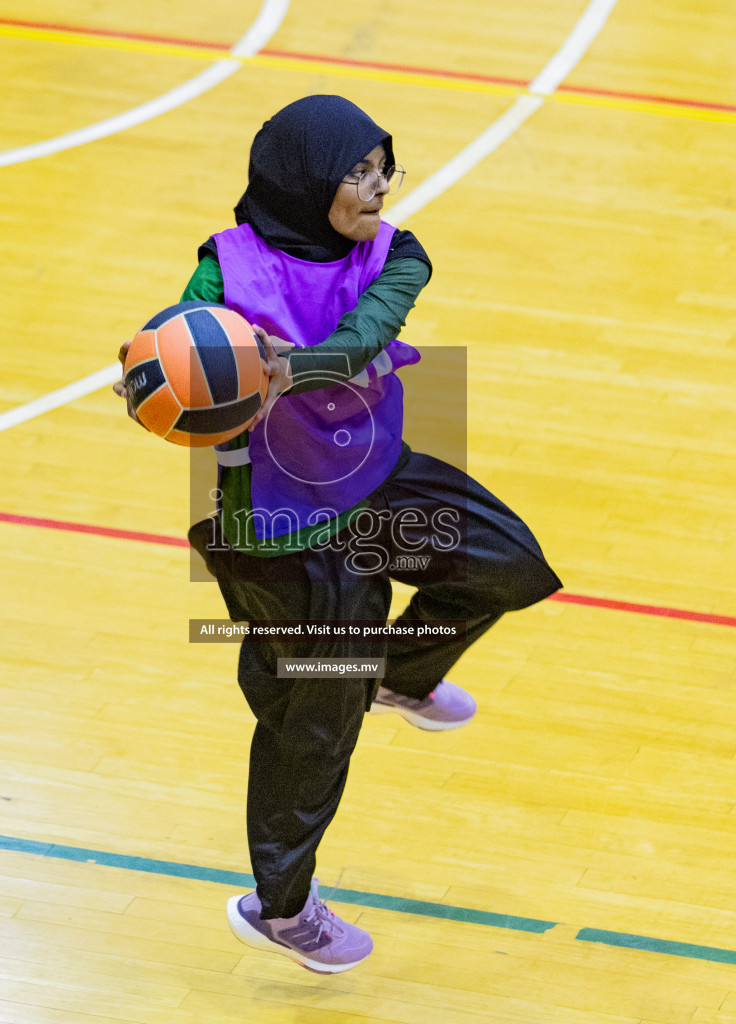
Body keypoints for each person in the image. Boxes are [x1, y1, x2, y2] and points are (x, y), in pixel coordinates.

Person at [113, 95, 562, 974]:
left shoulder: (400, 254)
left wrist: (292, 366)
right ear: (303, 179)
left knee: (507, 566)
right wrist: (152, 378)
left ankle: (401, 675)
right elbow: (174, 347)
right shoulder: (222, 270)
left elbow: (364, 338)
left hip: (371, 471)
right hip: (268, 521)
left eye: (381, 167)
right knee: (315, 718)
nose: (376, 187)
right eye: (355, 171)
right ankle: (280, 908)